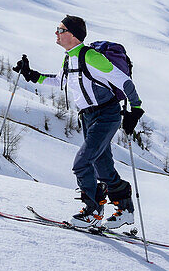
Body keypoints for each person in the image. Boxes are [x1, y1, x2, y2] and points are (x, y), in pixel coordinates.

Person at [13, 15, 144, 229]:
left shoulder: (90, 56)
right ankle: (125, 210)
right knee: (102, 167)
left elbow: (124, 81)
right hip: (88, 117)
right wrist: (31, 75)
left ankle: (93, 210)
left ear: (72, 35)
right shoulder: (69, 58)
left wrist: (136, 109)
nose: (56, 33)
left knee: (82, 163)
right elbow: (60, 81)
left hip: (106, 114)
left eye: (60, 29)